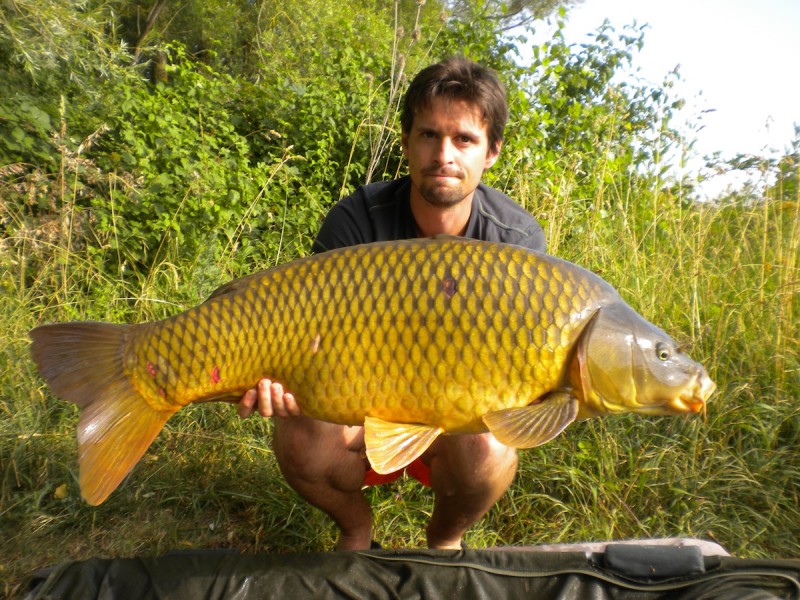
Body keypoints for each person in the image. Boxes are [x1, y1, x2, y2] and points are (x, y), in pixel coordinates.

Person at [238, 57, 545, 551]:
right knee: (298, 436)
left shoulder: (516, 242)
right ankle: (357, 532)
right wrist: (277, 374)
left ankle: (444, 540)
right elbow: (306, 334)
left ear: (491, 152)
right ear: (406, 142)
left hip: (455, 419)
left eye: (464, 139)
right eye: (428, 135)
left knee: (492, 449)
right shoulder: (357, 220)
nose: (443, 153)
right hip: (359, 408)